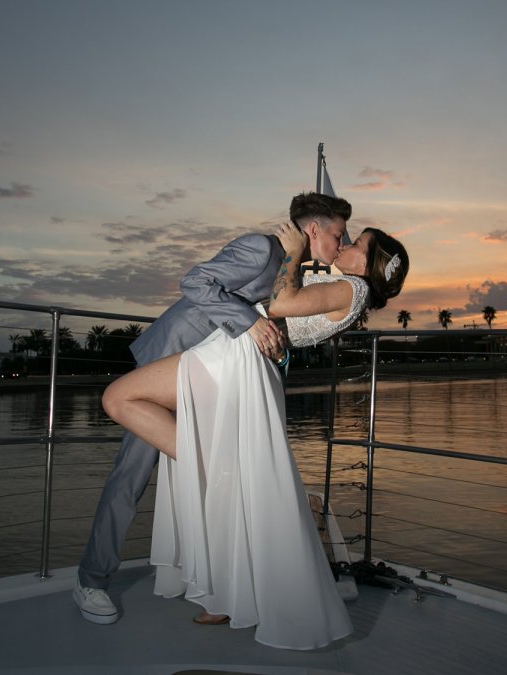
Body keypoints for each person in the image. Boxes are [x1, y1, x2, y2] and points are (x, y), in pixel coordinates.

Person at [103, 222, 409, 649]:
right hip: (244, 360)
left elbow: (281, 303)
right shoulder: (347, 291)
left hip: (234, 357)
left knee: (118, 398)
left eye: (357, 243)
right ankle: (230, 592)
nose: (347, 243)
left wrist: (292, 249)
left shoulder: (350, 290)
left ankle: (220, 480)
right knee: (225, 478)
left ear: (368, 264)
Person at [74, 192, 352, 625]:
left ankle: (227, 588)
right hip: (174, 360)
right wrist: (250, 322)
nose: (341, 242)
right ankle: (90, 580)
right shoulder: (261, 248)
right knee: (132, 474)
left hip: (213, 379)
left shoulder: (291, 267)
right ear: (313, 229)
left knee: (222, 475)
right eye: (338, 234)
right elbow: (195, 282)